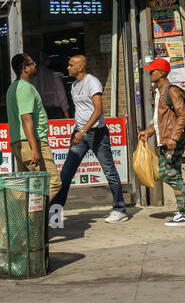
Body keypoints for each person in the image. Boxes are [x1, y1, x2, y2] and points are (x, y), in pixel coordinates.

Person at [50, 54, 128, 225]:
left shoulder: (92, 82)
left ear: (80, 67)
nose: (68, 68)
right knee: (66, 173)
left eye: (71, 65)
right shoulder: (75, 85)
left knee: (109, 171)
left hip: (96, 134)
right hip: (80, 133)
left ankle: (119, 209)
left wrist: (83, 131)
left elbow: (98, 110)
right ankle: (55, 214)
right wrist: (79, 130)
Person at [137, 58, 185, 226]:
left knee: (167, 173)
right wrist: (148, 132)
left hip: (173, 141)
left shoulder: (171, 91)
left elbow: (182, 115)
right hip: (165, 139)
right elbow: (161, 121)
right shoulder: (159, 91)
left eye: (152, 71)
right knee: (173, 173)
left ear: (161, 73)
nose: (150, 73)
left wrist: (174, 136)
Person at [6, 53, 63, 226]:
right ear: (24, 68)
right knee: (53, 182)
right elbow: (26, 119)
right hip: (31, 143)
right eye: (32, 63)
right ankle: (28, 221)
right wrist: (35, 148)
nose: (36, 66)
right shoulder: (25, 88)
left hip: (19, 143)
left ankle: (17, 222)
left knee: (27, 187)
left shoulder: (13, 88)